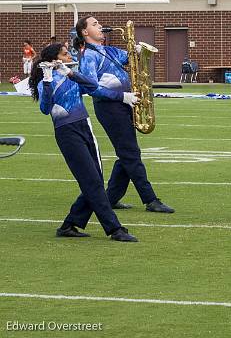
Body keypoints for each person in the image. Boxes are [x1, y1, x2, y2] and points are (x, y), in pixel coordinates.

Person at [28, 43, 137, 242]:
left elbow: (94, 87)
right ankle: (115, 229)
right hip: (66, 132)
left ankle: (70, 224)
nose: (69, 55)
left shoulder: (71, 74)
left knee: (95, 179)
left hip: (85, 127)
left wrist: (121, 97)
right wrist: (47, 80)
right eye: (64, 53)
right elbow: (45, 108)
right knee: (92, 182)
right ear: (54, 58)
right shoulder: (46, 81)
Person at [75, 16, 174, 212]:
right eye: (94, 24)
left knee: (126, 153)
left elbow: (129, 57)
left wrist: (137, 52)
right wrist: (122, 97)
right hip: (110, 107)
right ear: (85, 32)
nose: (100, 26)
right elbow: (91, 88)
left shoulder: (109, 50)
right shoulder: (88, 56)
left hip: (124, 103)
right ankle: (150, 199)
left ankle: (111, 197)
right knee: (130, 153)